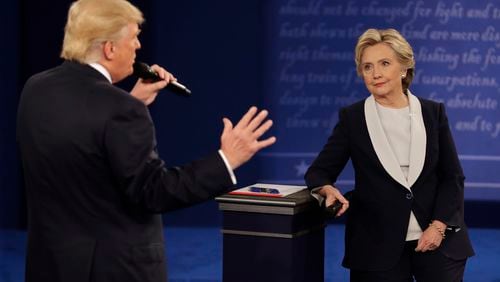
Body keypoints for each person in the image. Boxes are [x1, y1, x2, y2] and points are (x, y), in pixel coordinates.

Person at [16, 0, 276, 281]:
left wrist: (131, 101)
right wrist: (227, 159)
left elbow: (81, 147)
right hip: (113, 271)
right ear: (110, 48)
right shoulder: (120, 109)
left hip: (51, 265)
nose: (139, 46)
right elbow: (154, 192)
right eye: (133, 36)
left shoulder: (36, 89)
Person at [305, 28, 474, 281]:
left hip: (438, 240)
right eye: (367, 67)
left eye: (384, 63)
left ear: (404, 68)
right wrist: (326, 189)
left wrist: (438, 226)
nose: (376, 74)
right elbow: (319, 172)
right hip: (376, 246)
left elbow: (452, 177)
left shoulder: (433, 113)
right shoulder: (353, 118)